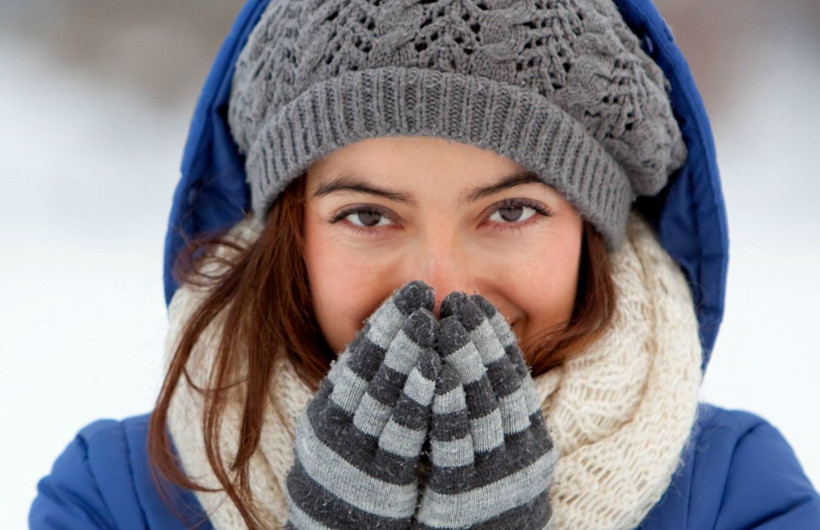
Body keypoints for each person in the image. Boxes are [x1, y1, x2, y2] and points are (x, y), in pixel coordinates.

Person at [29, 0, 820, 528]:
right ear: (288, 236)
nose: (440, 286)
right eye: (368, 216)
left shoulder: (738, 495)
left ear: (594, 229)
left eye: (510, 212)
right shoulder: (116, 496)